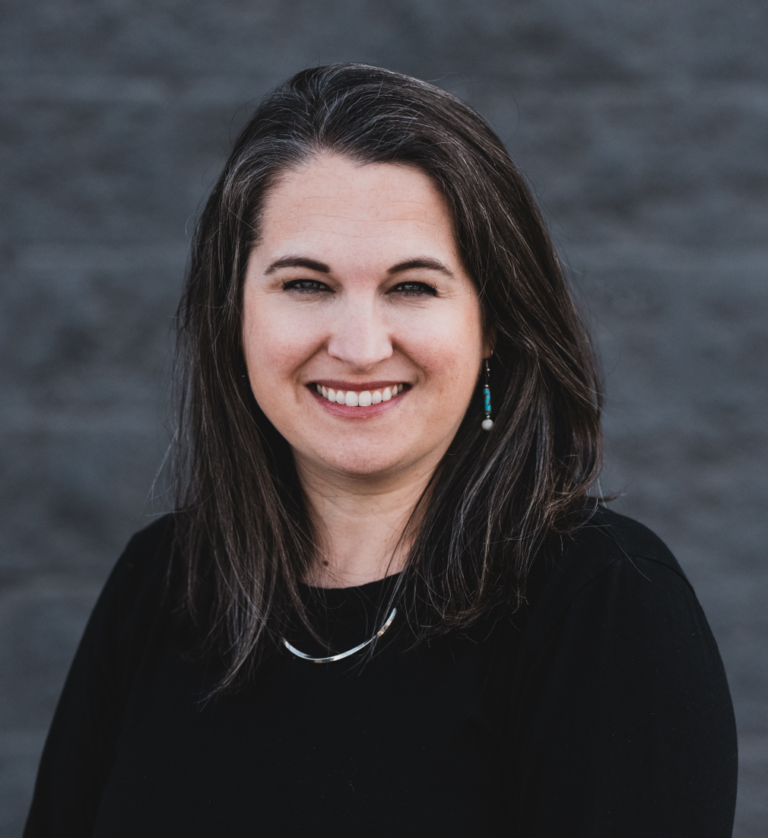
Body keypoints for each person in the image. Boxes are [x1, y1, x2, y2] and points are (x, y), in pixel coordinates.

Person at [24, 64, 737, 837]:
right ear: (234, 312)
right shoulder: (160, 586)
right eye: (306, 285)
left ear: (492, 324)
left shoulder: (605, 606)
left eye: (412, 288)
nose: (360, 346)